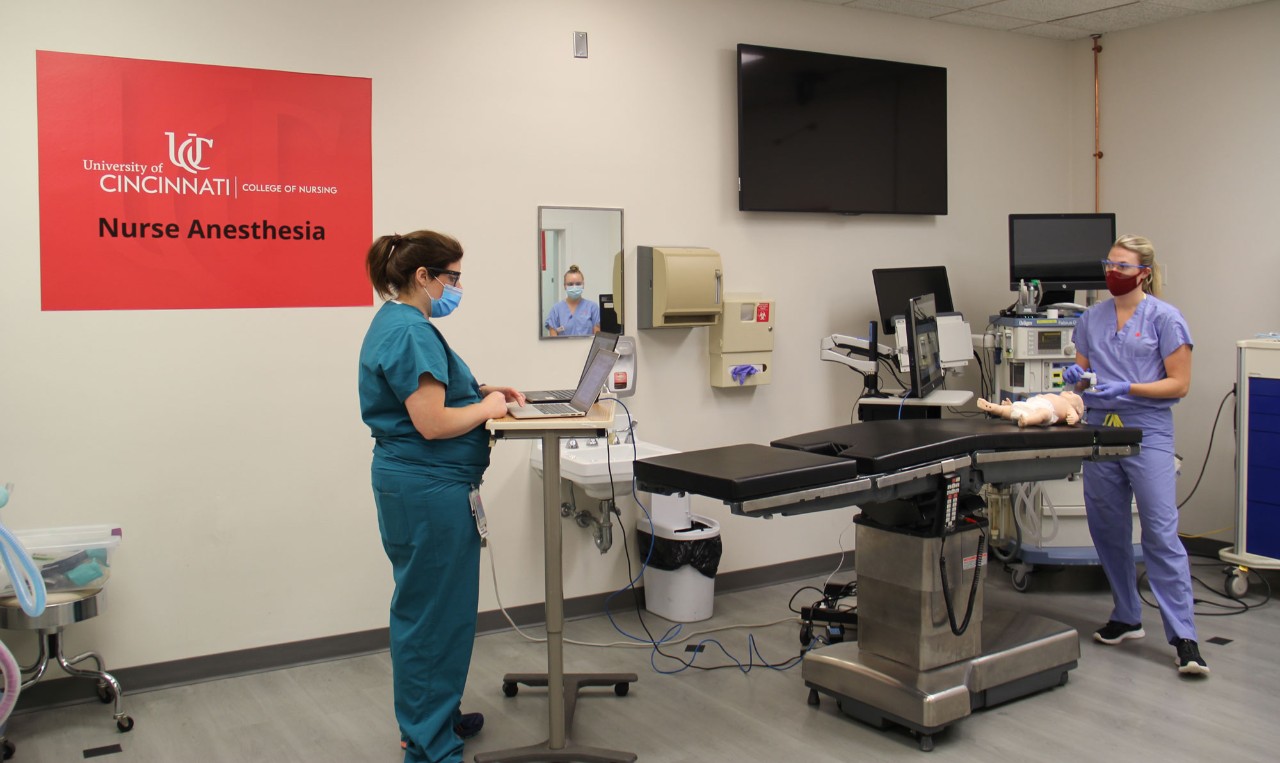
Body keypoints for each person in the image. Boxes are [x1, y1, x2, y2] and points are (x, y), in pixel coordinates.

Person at [358, 230, 526, 762]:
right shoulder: (411, 331)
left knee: (436, 613)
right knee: (433, 619)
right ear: (423, 276)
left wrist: (481, 392)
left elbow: (427, 395)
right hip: (428, 489)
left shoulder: (398, 322)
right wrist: (489, 409)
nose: (457, 287)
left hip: (421, 487)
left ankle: (436, 718)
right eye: (452, 277)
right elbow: (431, 422)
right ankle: (429, 744)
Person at [1062, 234, 1207, 676]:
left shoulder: (1166, 319)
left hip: (1147, 430)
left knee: (1160, 532)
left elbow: (1179, 384)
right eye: (1109, 264)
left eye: (1122, 267)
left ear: (1143, 273)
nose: (1113, 273)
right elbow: (1082, 379)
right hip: (1099, 429)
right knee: (1107, 528)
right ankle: (1126, 615)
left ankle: (1184, 638)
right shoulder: (1091, 318)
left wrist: (1129, 387)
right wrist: (1076, 377)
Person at [544, 264, 600, 336]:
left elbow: (597, 336)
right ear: (565, 286)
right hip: (563, 344)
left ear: (583, 285)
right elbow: (553, 339)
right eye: (570, 284)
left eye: (578, 284)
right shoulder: (556, 309)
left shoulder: (592, 307)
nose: (574, 287)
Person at [976, 389, 1084, 427]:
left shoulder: (1069, 407)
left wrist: (1074, 418)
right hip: (1034, 403)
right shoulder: (1059, 397)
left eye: (1074, 394)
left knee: (1044, 413)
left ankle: (1027, 420)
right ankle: (994, 408)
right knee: (1014, 408)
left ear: (1078, 409)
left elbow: (1074, 416)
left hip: (1049, 411)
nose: (1071, 391)